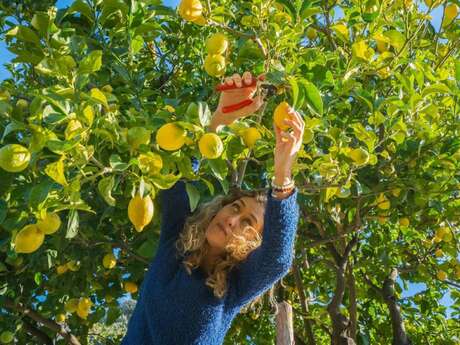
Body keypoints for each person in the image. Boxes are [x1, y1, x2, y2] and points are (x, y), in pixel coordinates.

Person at [121, 71, 305, 345]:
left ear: (254, 243)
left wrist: (282, 173)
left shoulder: (234, 286)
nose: (233, 220)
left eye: (247, 224)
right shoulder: (176, 245)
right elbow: (177, 180)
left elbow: (277, 259)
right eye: (235, 208)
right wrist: (219, 120)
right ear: (220, 207)